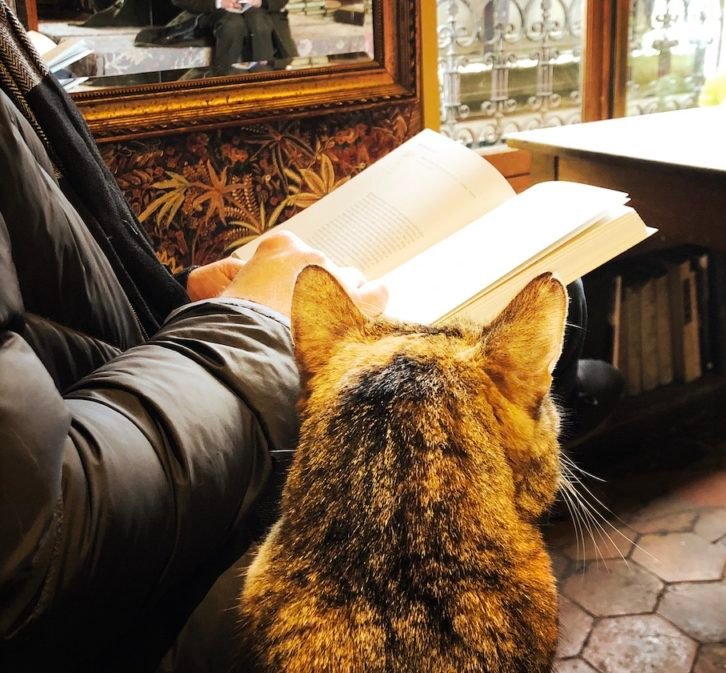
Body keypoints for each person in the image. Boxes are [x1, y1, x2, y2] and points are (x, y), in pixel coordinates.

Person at [0, 2, 620, 670]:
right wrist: (246, 326)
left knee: (572, 293)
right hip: (103, 608)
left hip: (141, 457)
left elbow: (35, 336)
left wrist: (181, 300)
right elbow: (29, 537)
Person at [172, 0, 297, 75]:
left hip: (261, 19)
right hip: (217, 15)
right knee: (232, 25)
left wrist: (261, 1)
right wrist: (219, 2)